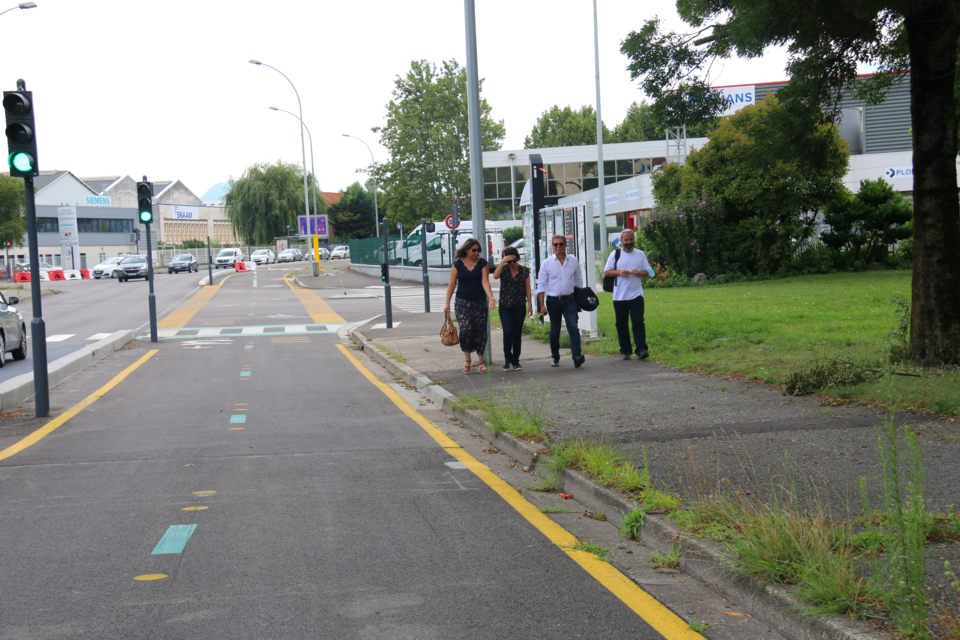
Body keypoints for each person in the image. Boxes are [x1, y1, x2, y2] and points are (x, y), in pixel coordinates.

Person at [443, 238, 496, 373]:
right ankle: (467, 359)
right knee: (466, 329)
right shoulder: (457, 265)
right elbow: (452, 284)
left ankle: (480, 361)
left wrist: (490, 297)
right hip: (462, 302)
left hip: (479, 302)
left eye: (478, 250)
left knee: (480, 330)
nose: (476, 252)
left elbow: (485, 282)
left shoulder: (482, 264)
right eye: (474, 250)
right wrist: (447, 303)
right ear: (467, 250)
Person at [536, 234, 585, 368]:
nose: (558, 247)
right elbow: (541, 285)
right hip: (553, 301)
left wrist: (579, 299)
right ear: (552, 246)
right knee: (555, 329)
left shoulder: (573, 261)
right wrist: (541, 304)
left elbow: (578, 281)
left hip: (569, 299)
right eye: (555, 244)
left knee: (573, 327)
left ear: (565, 245)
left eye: (561, 244)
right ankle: (555, 356)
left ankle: (577, 356)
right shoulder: (547, 263)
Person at [602, 229, 653, 360]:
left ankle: (641, 349)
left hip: (636, 295)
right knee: (621, 324)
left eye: (631, 239)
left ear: (634, 239)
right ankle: (625, 350)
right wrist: (619, 272)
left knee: (638, 322)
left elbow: (650, 272)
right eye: (626, 240)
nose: (629, 242)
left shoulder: (640, 254)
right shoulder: (615, 254)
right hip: (619, 296)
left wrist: (639, 273)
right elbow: (607, 272)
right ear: (621, 241)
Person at [492, 246, 532, 371]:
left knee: (517, 334)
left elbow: (528, 288)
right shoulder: (503, 269)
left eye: (514, 260)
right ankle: (507, 358)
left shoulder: (524, 270)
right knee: (508, 332)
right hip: (505, 306)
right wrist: (503, 262)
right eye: (510, 261)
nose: (512, 264)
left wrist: (530, 305)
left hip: (519, 305)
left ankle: (515, 360)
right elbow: (495, 276)